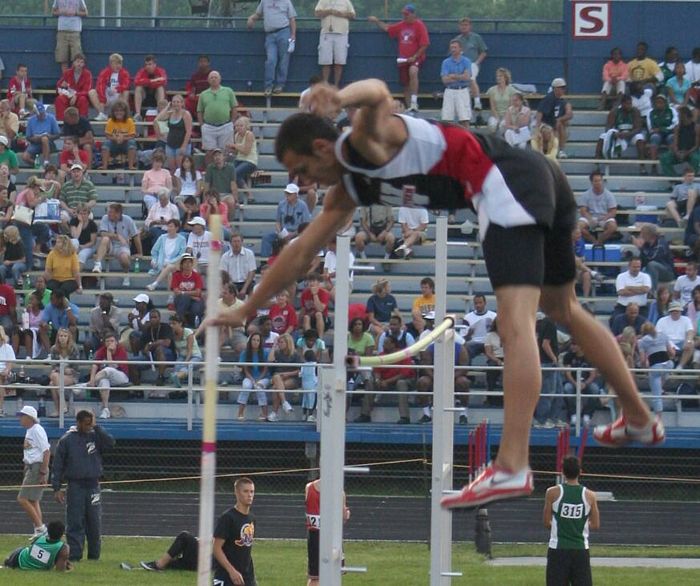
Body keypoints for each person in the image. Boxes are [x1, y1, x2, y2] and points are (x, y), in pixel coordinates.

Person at [210, 78, 663, 509]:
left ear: (322, 147)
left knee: (515, 324)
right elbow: (300, 251)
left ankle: (512, 464)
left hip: (504, 182)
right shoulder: (347, 189)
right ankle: (639, 417)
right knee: (562, 307)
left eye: (302, 169)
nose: (303, 180)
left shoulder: (364, 142)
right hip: (537, 176)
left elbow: (377, 94)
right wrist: (247, 307)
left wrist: (340, 97)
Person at [52, 410, 114, 562]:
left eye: (91, 423)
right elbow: (57, 465)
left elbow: (111, 443)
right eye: (86, 424)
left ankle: (94, 555)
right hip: (75, 486)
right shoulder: (67, 440)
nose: (89, 427)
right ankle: (74, 555)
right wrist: (57, 487)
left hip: (93, 485)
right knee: (75, 521)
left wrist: (97, 427)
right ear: (78, 423)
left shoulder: (95, 436)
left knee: (94, 521)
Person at [543, 456, 599, 586]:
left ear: (562, 472)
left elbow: (546, 522)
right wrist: (578, 525)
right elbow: (595, 524)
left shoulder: (552, 493)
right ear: (580, 472)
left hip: (558, 549)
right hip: (580, 550)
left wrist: (562, 525)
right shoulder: (590, 495)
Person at [368, 5, 429, 112]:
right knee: (405, 83)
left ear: (413, 14)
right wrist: (377, 21)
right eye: (403, 14)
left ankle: (414, 102)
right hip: (403, 58)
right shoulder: (401, 25)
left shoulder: (419, 25)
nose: (405, 16)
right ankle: (410, 106)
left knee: (413, 71)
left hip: (416, 57)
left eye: (407, 14)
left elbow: (425, 44)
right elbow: (387, 28)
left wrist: (414, 56)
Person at [305, 478, 350, 586]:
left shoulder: (308, 487)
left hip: (314, 536)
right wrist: (346, 514)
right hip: (331, 536)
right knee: (333, 574)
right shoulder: (338, 492)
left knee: (315, 577)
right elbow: (343, 517)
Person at [247, 0, 297, 96]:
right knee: (270, 60)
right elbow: (258, 14)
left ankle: (280, 85)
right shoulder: (264, 1)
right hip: (269, 34)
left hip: (284, 31)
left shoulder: (286, 2)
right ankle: (268, 86)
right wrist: (251, 18)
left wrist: (293, 35)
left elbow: (292, 19)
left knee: (284, 60)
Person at [213, 477, 257, 586]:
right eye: (245, 491)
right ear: (237, 493)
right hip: (226, 576)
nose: (250, 495)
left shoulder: (251, 518)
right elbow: (216, 548)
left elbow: (246, 549)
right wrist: (231, 571)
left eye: (252, 491)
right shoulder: (228, 518)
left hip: (246, 576)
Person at [16, 405, 50, 538]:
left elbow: (46, 451)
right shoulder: (30, 431)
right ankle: (38, 529)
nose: (20, 419)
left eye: (22, 416)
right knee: (33, 500)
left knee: (22, 499)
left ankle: (41, 527)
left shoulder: (37, 430)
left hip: (37, 467)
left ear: (30, 418)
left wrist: (43, 472)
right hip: (32, 467)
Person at [92, 202, 143, 287]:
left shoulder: (128, 220)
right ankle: (97, 264)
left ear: (118, 213)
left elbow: (135, 236)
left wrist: (140, 252)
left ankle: (126, 274)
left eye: (110, 212)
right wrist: (117, 236)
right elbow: (102, 233)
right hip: (110, 245)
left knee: (124, 258)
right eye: (108, 212)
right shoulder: (105, 218)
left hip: (122, 246)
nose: (108, 214)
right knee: (105, 239)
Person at [197, 71, 238, 166]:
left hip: (225, 125)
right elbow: (199, 110)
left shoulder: (228, 91)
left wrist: (232, 122)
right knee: (209, 152)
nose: (214, 79)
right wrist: (202, 125)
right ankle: (210, 171)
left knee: (226, 151)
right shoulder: (203, 94)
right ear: (208, 80)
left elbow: (234, 107)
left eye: (215, 77)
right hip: (209, 127)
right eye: (211, 77)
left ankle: (224, 171)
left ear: (220, 79)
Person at [3, 520, 71, 571]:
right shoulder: (63, 548)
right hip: (26, 562)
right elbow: (60, 570)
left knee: (9, 561)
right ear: (62, 533)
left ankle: (6, 564)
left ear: (48, 531)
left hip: (19, 558)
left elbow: (32, 549)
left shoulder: (40, 538)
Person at [315, 0, 355, 86]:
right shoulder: (323, 1)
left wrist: (341, 14)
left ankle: (336, 85)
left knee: (339, 61)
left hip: (342, 34)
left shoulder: (346, 1)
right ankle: (325, 84)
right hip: (326, 34)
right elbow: (317, 13)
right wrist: (329, 11)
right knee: (325, 61)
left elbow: (352, 15)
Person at [638, 322, 675, 416]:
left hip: (655, 367)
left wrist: (645, 369)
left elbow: (642, 360)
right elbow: (671, 353)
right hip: (668, 365)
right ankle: (661, 388)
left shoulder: (642, 341)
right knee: (668, 368)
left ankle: (658, 418)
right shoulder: (663, 335)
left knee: (656, 396)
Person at [90, 331, 129, 419]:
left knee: (108, 370)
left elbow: (111, 366)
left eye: (112, 341)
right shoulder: (101, 350)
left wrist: (108, 352)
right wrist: (92, 377)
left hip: (121, 377)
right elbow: (95, 365)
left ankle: (87, 384)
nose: (109, 343)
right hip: (105, 376)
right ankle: (105, 409)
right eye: (107, 341)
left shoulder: (121, 350)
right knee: (103, 381)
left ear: (116, 342)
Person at [594, 95, 646, 162]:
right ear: (622, 104)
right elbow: (608, 127)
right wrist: (614, 134)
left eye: (630, 103)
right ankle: (597, 160)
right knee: (602, 136)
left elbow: (638, 129)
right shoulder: (614, 111)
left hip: (631, 135)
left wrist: (627, 134)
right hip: (619, 135)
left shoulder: (635, 111)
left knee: (640, 138)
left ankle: (642, 163)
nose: (629, 106)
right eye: (627, 104)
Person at [452, 16, 487, 114]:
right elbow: (453, 54)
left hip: (473, 64)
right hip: (460, 65)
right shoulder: (457, 40)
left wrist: (476, 63)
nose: (464, 27)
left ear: (470, 26)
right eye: (462, 25)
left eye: (466, 25)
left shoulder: (476, 38)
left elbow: (483, 52)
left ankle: (477, 102)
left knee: (471, 78)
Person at [577, 171, 619, 245]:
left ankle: (600, 241)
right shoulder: (585, 194)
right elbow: (583, 211)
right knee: (578, 226)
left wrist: (604, 219)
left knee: (613, 226)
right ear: (591, 182)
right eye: (596, 181)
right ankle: (593, 240)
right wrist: (590, 219)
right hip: (590, 217)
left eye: (600, 180)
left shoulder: (609, 195)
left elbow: (613, 211)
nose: (598, 183)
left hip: (604, 217)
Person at [536, 78, 573, 159]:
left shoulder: (562, 101)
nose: (564, 90)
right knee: (557, 126)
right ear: (556, 88)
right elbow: (540, 113)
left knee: (561, 124)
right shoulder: (549, 99)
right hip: (545, 124)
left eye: (564, 88)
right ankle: (556, 150)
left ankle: (560, 150)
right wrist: (537, 128)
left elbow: (569, 114)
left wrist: (560, 119)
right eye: (562, 88)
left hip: (555, 124)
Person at [88, 53, 131, 122]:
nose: (118, 66)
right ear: (111, 64)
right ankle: (102, 113)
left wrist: (117, 89)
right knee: (92, 92)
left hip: (118, 96)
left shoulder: (125, 73)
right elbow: (100, 86)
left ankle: (124, 114)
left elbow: (126, 85)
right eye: (116, 63)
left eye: (120, 63)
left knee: (126, 91)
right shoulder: (104, 72)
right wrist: (103, 99)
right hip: (106, 96)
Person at [631, 223, 675, 289]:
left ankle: (652, 292)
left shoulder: (661, 244)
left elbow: (652, 258)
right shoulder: (646, 244)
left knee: (652, 265)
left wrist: (640, 248)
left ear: (649, 235)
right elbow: (642, 261)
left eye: (643, 234)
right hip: (650, 271)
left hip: (666, 272)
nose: (641, 236)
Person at [237, 333, 270, 421]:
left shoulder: (265, 353)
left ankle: (264, 413)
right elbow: (246, 370)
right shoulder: (245, 353)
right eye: (254, 340)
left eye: (258, 340)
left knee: (259, 387)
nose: (255, 342)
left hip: (263, 377)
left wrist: (258, 380)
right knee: (246, 386)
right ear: (250, 341)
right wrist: (252, 379)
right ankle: (240, 413)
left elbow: (265, 370)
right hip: (249, 376)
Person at [48, 328, 80, 417]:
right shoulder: (54, 349)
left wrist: (64, 370)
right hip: (59, 375)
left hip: (72, 376)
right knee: (52, 382)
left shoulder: (74, 348)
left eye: (65, 336)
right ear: (58, 337)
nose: (62, 338)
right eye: (61, 336)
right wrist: (63, 370)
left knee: (53, 379)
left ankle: (60, 408)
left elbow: (75, 368)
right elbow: (54, 366)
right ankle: (61, 408)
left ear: (68, 338)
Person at [440, 40, 472, 128]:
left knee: (464, 119)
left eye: (455, 47)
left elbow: (467, 77)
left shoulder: (466, 61)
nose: (453, 49)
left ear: (460, 48)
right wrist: (461, 76)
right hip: (449, 91)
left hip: (462, 91)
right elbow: (445, 80)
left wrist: (453, 76)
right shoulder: (446, 62)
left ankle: (466, 135)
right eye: (451, 47)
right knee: (447, 119)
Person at [267, 333, 299, 421]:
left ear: (287, 343)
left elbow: (299, 370)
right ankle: (284, 402)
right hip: (278, 377)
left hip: (291, 377)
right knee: (277, 377)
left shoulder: (295, 354)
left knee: (275, 388)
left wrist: (287, 374)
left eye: (282, 342)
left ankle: (275, 413)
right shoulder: (277, 353)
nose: (280, 344)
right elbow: (270, 360)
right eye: (279, 342)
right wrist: (274, 346)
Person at [660, 108, 700, 177]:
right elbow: (675, 143)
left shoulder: (696, 127)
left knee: (696, 158)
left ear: (685, 115)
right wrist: (677, 152)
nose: (678, 116)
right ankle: (674, 179)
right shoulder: (677, 127)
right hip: (680, 151)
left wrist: (686, 153)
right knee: (664, 158)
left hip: (692, 151)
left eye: (679, 115)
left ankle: (691, 178)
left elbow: (696, 145)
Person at [100, 99, 138, 170]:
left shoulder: (130, 121)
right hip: (114, 144)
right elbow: (107, 135)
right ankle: (104, 166)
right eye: (116, 111)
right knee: (106, 143)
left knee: (132, 143)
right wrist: (115, 138)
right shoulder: (110, 121)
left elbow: (132, 135)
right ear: (113, 112)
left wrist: (123, 138)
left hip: (126, 144)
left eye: (121, 111)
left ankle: (131, 166)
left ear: (125, 112)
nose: (118, 113)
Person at [656, 301, 694, 369]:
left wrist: (688, 341)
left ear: (681, 311)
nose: (675, 312)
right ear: (669, 312)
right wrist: (668, 344)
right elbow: (658, 335)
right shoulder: (662, 320)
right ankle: (668, 367)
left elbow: (690, 332)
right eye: (673, 310)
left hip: (682, 343)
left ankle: (680, 366)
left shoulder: (686, 320)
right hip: (667, 343)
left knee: (691, 343)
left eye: (677, 310)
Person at [22, 103, 61, 168]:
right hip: (35, 144)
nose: (42, 115)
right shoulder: (31, 120)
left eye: (43, 113)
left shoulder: (51, 118)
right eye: (40, 113)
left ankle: (46, 162)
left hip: (49, 143)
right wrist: (34, 138)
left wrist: (49, 136)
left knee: (44, 139)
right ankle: (38, 165)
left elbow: (58, 135)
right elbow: (28, 137)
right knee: (25, 157)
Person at [54, 53, 91, 120]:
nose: (79, 64)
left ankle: (83, 121)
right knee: (60, 99)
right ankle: (61, 121)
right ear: (73, 63)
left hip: (80, 96)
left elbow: (86, 90)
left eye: (81, 62)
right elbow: (58, 85)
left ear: (84, 64)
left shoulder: (87, 74)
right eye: (77, 62)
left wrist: (76, 95)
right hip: (68, 95)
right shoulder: (67, 73)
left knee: (83, 100)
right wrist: (62, 85)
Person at [220, 231, 257, 299]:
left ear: (242, 242)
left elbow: (252, 272)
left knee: (253, 288)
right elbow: (225, 275)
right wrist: (234, 289)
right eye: (234, 241)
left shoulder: (249, 254)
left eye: (238, 241)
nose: (236, 244)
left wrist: (244, 289)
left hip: (247, 282)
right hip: (231, 283)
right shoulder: (225, 256)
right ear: (230, 243)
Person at [169, 314, 203, 388]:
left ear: (180, 323)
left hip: (194, 356)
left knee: (187, 366)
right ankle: (176, 378)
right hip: (182, 356)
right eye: (170, 324)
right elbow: (177, 350)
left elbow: (189, 350)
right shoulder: (172, 334)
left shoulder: (188, 332)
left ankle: (177, 377)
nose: (171, 326)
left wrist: (185, 362)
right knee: (177, 367)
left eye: (174, 323)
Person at [43, 234, 82, 299]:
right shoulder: (52, 254)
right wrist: (49, 280)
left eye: (59, 242)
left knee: (64, 290)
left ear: (65, 244)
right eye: (56, 242)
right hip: (55, 279)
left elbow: (76, 273)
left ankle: (65, 304)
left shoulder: (72, 255)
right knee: (51, 287)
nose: (56, 244)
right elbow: (48, 271)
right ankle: (54, 304)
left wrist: (80, 286)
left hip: (70, 280)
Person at [229, 117, 259, 199]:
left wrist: (235, 146)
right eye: (237, 126)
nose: (238, 127)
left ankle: (249, 193)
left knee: (235, 173)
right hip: (239, 159)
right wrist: (231, 149)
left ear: (246, 126)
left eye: (241, 126)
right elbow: (237, 152)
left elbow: (246, 151)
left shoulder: (249, 135)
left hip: (250, 161)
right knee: (228, 172)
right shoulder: (236, 135)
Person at [85, 292, 120, 356]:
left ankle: (110, 359)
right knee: (88, 343)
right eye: (101, 302)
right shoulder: (94, 312)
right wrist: (100, 338)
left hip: (112, 336)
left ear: (110, 303)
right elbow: (93, 330)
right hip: (98, 336)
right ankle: (90, 359)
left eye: (104, 302)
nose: (101, 304)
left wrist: (104, 313)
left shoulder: (117, 311)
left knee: (108, 333)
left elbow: (110, 326)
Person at [463, 293, 497, 361]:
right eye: (476, 303)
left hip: (489, 343)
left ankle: (493, 366)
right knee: (464, 352)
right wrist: (469, 334)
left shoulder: (493, 316)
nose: (478, 305)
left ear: (485, 303)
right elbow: (463, 338)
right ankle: (465, 366)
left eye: (480, 303)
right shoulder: (467, 317)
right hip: (473, 343)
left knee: (496, 350)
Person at [133, 55, 168, 119]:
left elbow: (163, 81)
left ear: (155, 65)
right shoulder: (142, 71)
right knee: (138, 88)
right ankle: (138, 114)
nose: (147, 66)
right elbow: (136, 82)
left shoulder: (160, 71)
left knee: (160, 88)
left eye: (150, 64)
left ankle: (161, 114)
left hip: (156, 95)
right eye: (146, 64)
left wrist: (146, 82)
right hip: (145, 95)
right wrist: (152, 81)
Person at [486, 68, 517, 135]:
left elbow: (510, 107)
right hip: (496, 114)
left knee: (503, 125)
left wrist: (504, 118)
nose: (498, 78)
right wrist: (497, 118)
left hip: (508, 115)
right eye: (497, 76)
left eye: (500, 76)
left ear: (505, 78)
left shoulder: (511, 90)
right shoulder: (492, 90)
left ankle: (504, 138)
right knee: (492, 124)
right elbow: (493, 107)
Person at [185, 54, 212, 119]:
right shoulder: (195, 76)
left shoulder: (212, 74)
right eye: (201, 61)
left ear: (208, 63)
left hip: (210, 97)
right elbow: (191, 87)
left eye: (204, 61)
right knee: (186, 102)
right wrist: (191, 93)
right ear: (198, 63)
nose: (202, 63)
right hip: (197, 98)